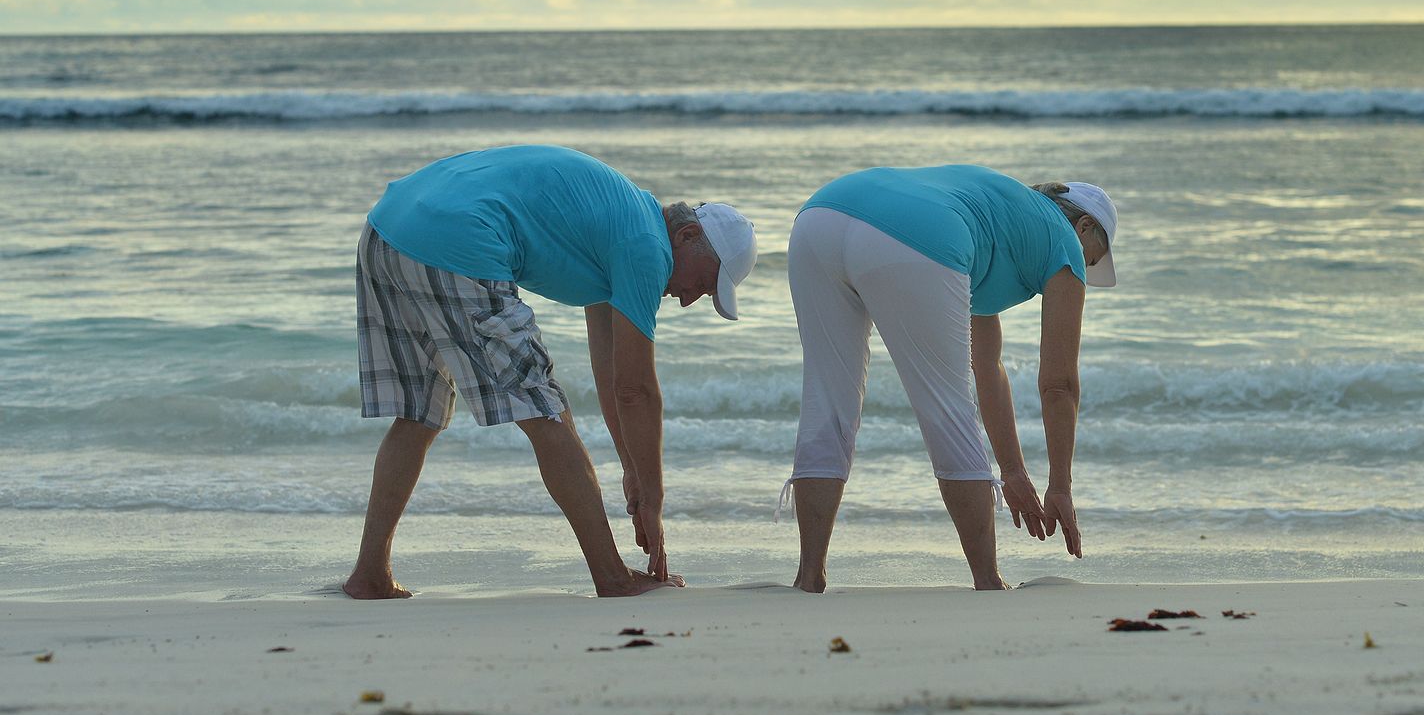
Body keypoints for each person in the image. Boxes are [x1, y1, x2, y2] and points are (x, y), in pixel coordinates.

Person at [342, 145, 756, 599]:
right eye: (704, 283)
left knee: (419, 413)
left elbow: (613, 376)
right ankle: (612, 577)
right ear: (688, 235)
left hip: (387, 228)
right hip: (457, 238)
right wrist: (654, 500)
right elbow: (636, 390)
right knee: (546, 412)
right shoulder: (647, 248)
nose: (690, 299)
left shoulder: (621, 223)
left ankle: (370, 574)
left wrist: (634, 470)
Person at [777, 166, 1117, 592]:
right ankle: (988, 581)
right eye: (1092, 258)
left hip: (819, 217)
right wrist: (1061, 487)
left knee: (827, 400)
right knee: (949, 411)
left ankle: (809, 577)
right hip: (917, 232)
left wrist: (1013, 472)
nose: (1084, 267)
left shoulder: (1000, 221)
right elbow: (1059, 384)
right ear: (1084, 226)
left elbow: (987, 367)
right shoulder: (1062, 240)